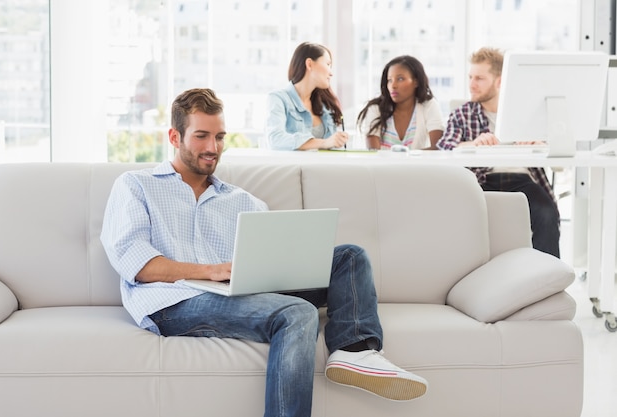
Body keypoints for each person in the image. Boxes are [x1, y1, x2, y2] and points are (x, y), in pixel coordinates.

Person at [101, 88, 428, 417]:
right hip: (173, 302)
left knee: (349, 257)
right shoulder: (136, 185)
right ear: (175, 136)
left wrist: (286, 262)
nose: (212, 148)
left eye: (219, 137)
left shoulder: (242, 200)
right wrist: (208, 270)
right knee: (297, 313)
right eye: (201, 136)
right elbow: (137, 264)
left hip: (238, 292)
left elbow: (270, 255)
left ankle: (354, 349)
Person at [437, 47, 560, 258]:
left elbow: (557, 150)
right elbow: (445, 147)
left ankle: (548, 279)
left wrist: (538, 145)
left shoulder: (527, 112)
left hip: (524, 180)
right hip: (482, 181)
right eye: (470, 77)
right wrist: (472, 144)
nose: (472, 84)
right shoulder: (462, 114)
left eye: (480, 78)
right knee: (464, 219)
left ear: (499, 81)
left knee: (546, 213)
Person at [265, 42, 349, 150]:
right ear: (309, 64)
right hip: (294, 166)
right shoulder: (278, 99)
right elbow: (275, 139)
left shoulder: (325, 107)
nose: (331, 73)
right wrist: (324, 143)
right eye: (328, 64)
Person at [357, 55, 444, 150]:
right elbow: (374, 153)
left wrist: (406, 159)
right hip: (383, 165)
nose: (393, 85)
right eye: (390, 80)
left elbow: (438, 148)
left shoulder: (429, 105)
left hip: (419, 165)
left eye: (400, 79)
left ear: (416, 82)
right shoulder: (375, 108)